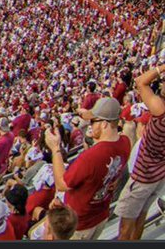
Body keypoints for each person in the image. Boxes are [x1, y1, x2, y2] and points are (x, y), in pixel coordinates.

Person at [45, 96, 131, 239]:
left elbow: (61, 184)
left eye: (93, 121)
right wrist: (88, 114)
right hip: (101, 215)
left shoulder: (91, 157)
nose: (90, 125)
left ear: (104, 124)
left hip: (81, 223)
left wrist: (55, 148)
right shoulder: (125, 143)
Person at [116, 62, 165, 240]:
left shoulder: (160, 111)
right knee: (141, 218)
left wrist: (162, 67)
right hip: (158, 175)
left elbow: (140, 82)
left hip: (143, 176)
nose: (161, 83)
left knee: (125, 228)